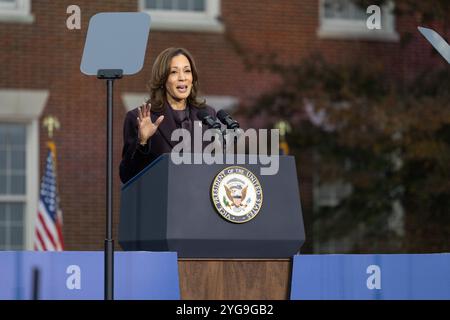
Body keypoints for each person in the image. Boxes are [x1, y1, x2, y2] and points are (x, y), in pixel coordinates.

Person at [119, 47, 216, 184]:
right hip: (162, 201)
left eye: (187, 71)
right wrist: (143, 142)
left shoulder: (207, 115)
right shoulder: (140, 117)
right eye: (174, 72)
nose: (182, 78)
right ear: (163, 79)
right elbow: (127, 175)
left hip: (199, 199)